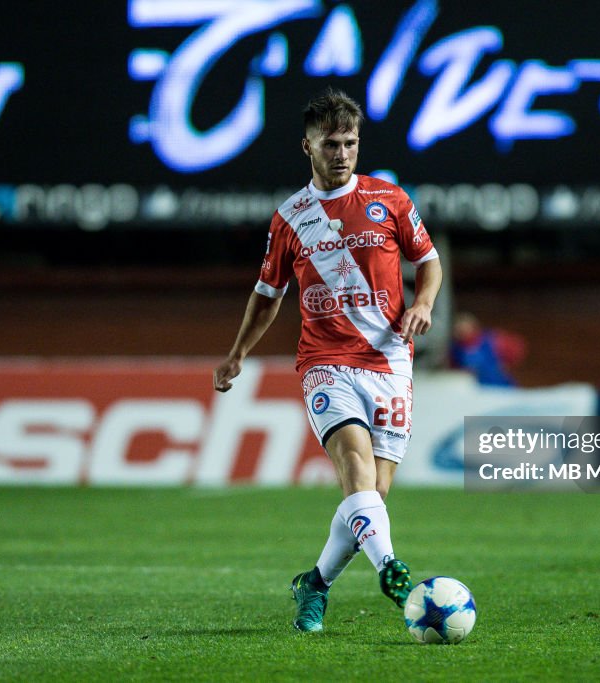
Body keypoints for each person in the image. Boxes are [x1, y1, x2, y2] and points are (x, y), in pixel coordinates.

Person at [213, 88, 443, 633]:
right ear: (307, 147)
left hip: (389, 362)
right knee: (355, 473)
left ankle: (314, 583)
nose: (342, 153)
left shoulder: (390, 200)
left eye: (350, 142)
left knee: (373, 497)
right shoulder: (290, 218)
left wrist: (424, 305)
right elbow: (266, 296)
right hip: (326, 362)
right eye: (331, 144)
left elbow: (428, 263)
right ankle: (392, 570)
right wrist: (237, 354)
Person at [450, 312, 527, 386]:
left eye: (465, 328)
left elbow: (517, 349)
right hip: (478, 388)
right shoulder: (457, 349)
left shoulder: (491, 339)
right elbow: (455, 369)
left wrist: (506, 364)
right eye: (460, 330)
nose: (463, 332)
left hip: (500, 382)